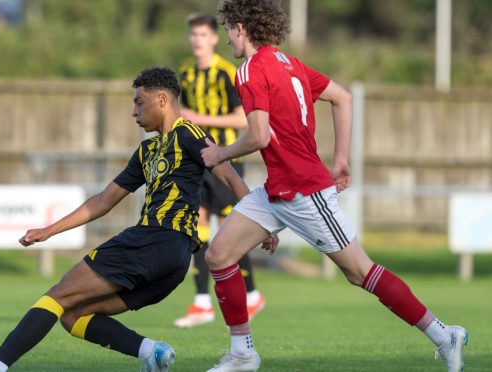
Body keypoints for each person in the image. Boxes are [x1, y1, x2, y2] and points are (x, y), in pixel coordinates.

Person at [200, 1, 468, 371]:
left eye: (228, 28)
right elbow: (342, 97)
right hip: (279, 189)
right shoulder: (289, 64)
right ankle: (243, 354)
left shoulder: (248, 70)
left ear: (241, 29)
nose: (227, 37)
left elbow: (258, 136)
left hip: (304, 192)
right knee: (219, 254)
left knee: (360, 271)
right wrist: (340, 159)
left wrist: (220, 155)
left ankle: (444, 334)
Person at [0, 67, 258, 372]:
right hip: (173, 263)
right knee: (72, 315)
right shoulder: (147, 150)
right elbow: (103, 201)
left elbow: (228, 174)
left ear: (162, 99)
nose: (134, 111)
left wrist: (258, 220)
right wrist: (48, 231)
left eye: (140, 102)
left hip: (156, 239)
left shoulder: (187, 133)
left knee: (56, 295)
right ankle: (151, 351)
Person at [173, 12, 265, 329]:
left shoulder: (228, 73)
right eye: (193, 35)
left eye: (203, 35)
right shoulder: (185, 74)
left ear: (214, 38)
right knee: (195, 225)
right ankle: (201, 303)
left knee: (229, 231)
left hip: (225, 161)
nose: (197, 40)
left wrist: (197, 118)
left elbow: (241, 120)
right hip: (197, 162)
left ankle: (251, 294)